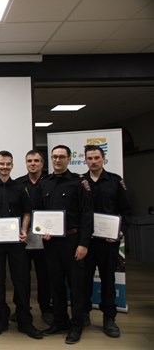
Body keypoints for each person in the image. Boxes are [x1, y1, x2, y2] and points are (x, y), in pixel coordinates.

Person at [0, 151, 43, 339]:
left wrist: (23, 229)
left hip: (16, 242)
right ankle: (1, 320)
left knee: (21, 280)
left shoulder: (21, 187)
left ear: (12, 166)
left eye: (8, 164)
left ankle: (25, 321)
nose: (5, 167)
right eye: (1, 164)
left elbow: (27, 212)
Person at [32, 145, 93, 345]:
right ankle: (60, 321)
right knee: (55, 284)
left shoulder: (79, 183)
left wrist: (84, 244)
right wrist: (41, 231)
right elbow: (39, 211)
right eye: (54, 157)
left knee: (76, 285)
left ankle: (76, 326)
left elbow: (86, 216)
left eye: (61, 157)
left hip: (73, 241)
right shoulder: (45, 183)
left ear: (69, 159)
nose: (57, 160)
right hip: (52, 243)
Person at [83, 144, 132, 338]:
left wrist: (120, 232)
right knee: (83, 280)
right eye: (90, 158)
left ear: (103, 158)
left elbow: (126, 211)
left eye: (96, 158)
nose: (93, 161)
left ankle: (109, 318)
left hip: (109, 242)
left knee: (108, 280)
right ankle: (84, 313)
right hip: (86, 242)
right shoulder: (80, 182)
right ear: (85, 160)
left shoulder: (115, 181)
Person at [15, 150, 54, 325]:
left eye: (36, 161)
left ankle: (45, 308)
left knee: (44, 274)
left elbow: (54, 210)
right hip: (23, 236)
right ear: (25, 163)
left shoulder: (50, 183)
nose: (33, 163)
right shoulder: (18, 184)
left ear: (42, 164)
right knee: (21, 275)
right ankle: (22, 308)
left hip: (44, 237)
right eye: (29, 160)